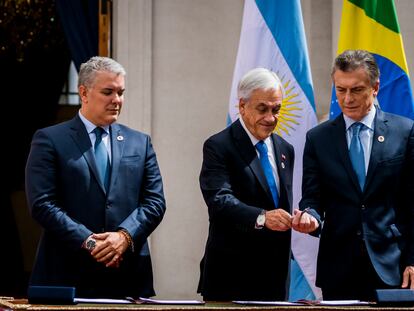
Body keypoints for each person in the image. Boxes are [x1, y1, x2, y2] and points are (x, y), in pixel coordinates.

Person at [25, 56, 166, 298]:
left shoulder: (139, 142)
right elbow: (42, 204)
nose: (117, 100)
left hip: (127, 275)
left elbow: (155, 202)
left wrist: (124, 236)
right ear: (83, 92)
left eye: (121, 92)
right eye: (108, 92)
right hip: (67, 273)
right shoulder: (50, 139)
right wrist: (90, 242)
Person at [292, 49, 414, 300]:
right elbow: (312, 199)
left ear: (375, 87)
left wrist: (413, 260)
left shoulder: (405, 131)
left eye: (356, 89)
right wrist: (310, 217)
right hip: (338, 269)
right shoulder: (318, 139)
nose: (347, 99)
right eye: (340, 89)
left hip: (393, 267)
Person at [198, 68, 294, 301]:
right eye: (262, 109)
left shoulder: (285, 149)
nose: (271, 118)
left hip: (275, 277)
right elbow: (219, 201)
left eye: (276, 109)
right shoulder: (219, 146)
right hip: (231, 275)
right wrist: (262, 217)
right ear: (242, 106)